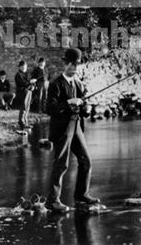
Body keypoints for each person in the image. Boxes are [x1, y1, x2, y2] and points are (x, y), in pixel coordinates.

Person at [46, 47, 100, 212]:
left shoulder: (78, 83)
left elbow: (83, 107)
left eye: (76, 65)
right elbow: (50, 108)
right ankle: (52, 201)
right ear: (65, 64)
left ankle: (81, 194)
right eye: (71, 65)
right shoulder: (56, 84)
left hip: (77, 127)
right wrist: (69, 102)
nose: (74, 68)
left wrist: (86, 108)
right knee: (61, 164)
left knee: (86, 161)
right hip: (62, 129)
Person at [14, 59, 36, 128]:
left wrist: (33, 87)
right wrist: (30, 83)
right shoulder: (18, 75)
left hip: (28, 92)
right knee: (23, 107)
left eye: (25, 67)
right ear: (20, 67)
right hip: (22, 93)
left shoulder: (26, 74)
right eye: (23, 67)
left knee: (28, 107)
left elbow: (30, 82)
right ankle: (21, 122)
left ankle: (26, 121)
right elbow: (23, 83)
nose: (24, 68)